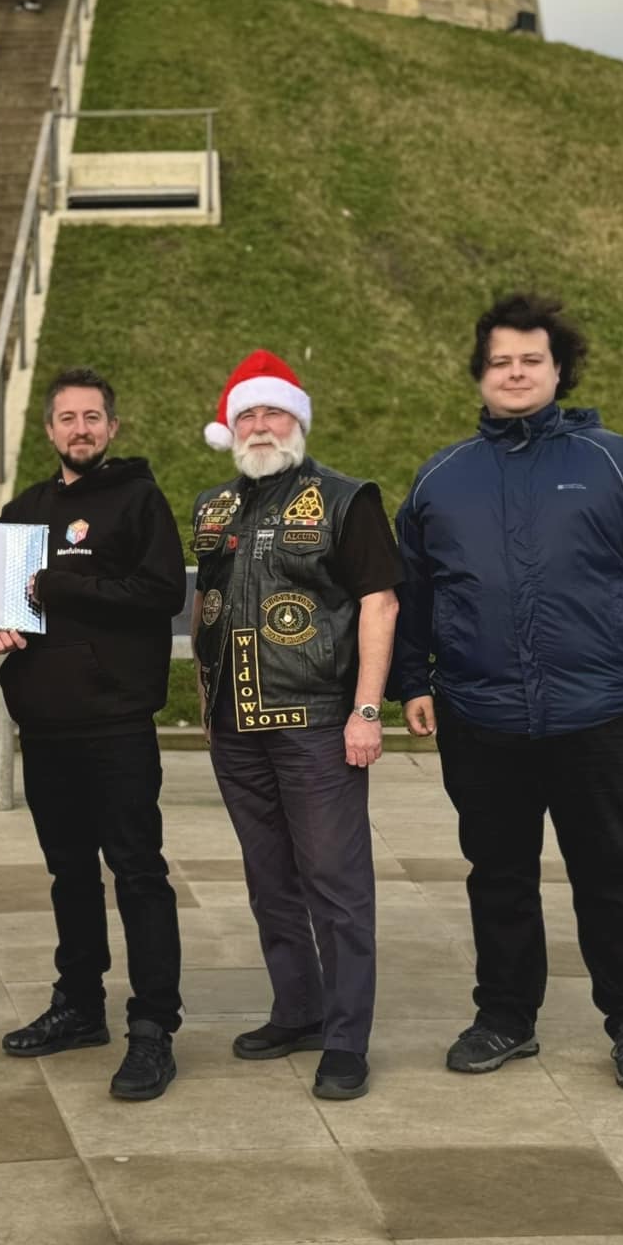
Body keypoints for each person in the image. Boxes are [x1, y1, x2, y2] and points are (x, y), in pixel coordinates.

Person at [392, 293, 623, 1093]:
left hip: (599, 712)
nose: (515, 373)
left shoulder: (611, 460)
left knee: (611, 870)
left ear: (558, 369)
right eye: (500, 361)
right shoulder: (441, 478)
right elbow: (411, 589)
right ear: (480, 374)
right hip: (482, 714)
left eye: (530, 359)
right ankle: (505, 1016)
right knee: (497, 874)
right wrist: (411, 681)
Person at [189, 349, 401, 1102]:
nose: (260, 426)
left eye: (273, 412)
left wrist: (366, 709)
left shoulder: (346, 500)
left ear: (298, 421)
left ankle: (346, 1040)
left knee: (337, 886)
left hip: (316, 723)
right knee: (270, 881)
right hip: (235, 726)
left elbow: (380, 603)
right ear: (231, 428)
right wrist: (208, 702)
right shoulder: (213, 508)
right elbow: (206, 609)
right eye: (246, 415)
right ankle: (298, 1009)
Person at [0, 368, 187, 1100]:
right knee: (69, 874)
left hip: (117, 722)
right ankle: (79, 1006)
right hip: (47, 725)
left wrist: (67, 586)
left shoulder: (137, 499)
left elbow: (163, 592)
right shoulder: (24, 510)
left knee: (138, 873)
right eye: (67, 418)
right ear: (49, 431)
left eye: (93, 417)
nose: (80, 429)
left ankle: (154, 1026)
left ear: (112, 428)